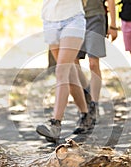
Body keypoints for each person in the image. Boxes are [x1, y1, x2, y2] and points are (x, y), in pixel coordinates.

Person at [36, 0, 93, 143]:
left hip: (73, 19)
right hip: (49, 20)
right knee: (69, 72)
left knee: (61, 71)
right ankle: (86, 114)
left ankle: (55, 125)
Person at [74, 0, 118, 124]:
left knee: (93, 63)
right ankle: (87, 92)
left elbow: (111, 1)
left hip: (96, 17)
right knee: (73, 63)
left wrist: (113, 25)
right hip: (75, 19)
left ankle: (93, 104)